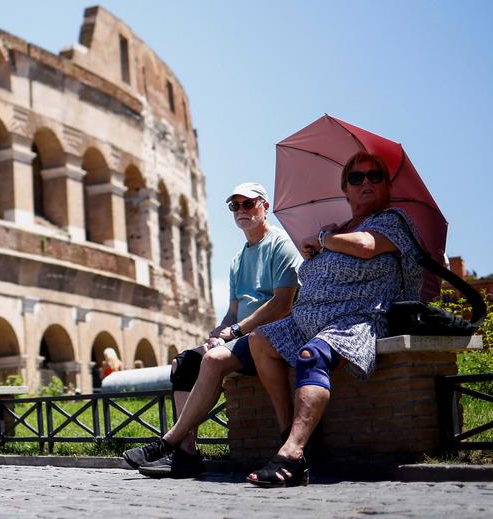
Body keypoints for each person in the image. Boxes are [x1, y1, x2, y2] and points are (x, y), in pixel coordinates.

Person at [246, 153, 424, 487]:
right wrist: (319, 247)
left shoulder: (392, 220)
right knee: (260, 339)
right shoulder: (338, 229)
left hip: (357, 319)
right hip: (307, 318)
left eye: (375, 176)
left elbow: (367, 247)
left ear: (387, 186)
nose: (366, 182)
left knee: (311, 356)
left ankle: (292, 455)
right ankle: (290, 433)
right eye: (357, 178)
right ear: (345, 189)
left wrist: (324, 241)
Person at [123, 182, 302, 478]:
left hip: (274, 334)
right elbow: (232, 311)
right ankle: (186, 455)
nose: (241, 210)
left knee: (214, 360)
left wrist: (234, 330)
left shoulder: (282, 244)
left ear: (265, 207)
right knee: (184, 362)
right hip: (241, 337)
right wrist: (216, 334)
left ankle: (167, 441)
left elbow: (282, 303)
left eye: (249, 204)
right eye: (235, 206)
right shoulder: (237, 260)